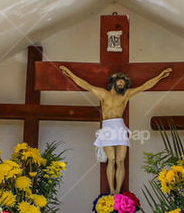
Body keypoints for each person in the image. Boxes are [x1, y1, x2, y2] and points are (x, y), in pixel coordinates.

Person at [59, 66, 172, 194]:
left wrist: (160, 76)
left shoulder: (125, 95)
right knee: (111, 160)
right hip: (107, 127)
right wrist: (70, 74)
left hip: (119, 127)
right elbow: (86, 85)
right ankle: (112, 190)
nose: (122, 84)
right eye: (120, 82)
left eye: (123, 84)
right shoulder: (103, 93)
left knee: (120, 160)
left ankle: (118, 191)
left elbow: (144, 86)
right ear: (114, 81)